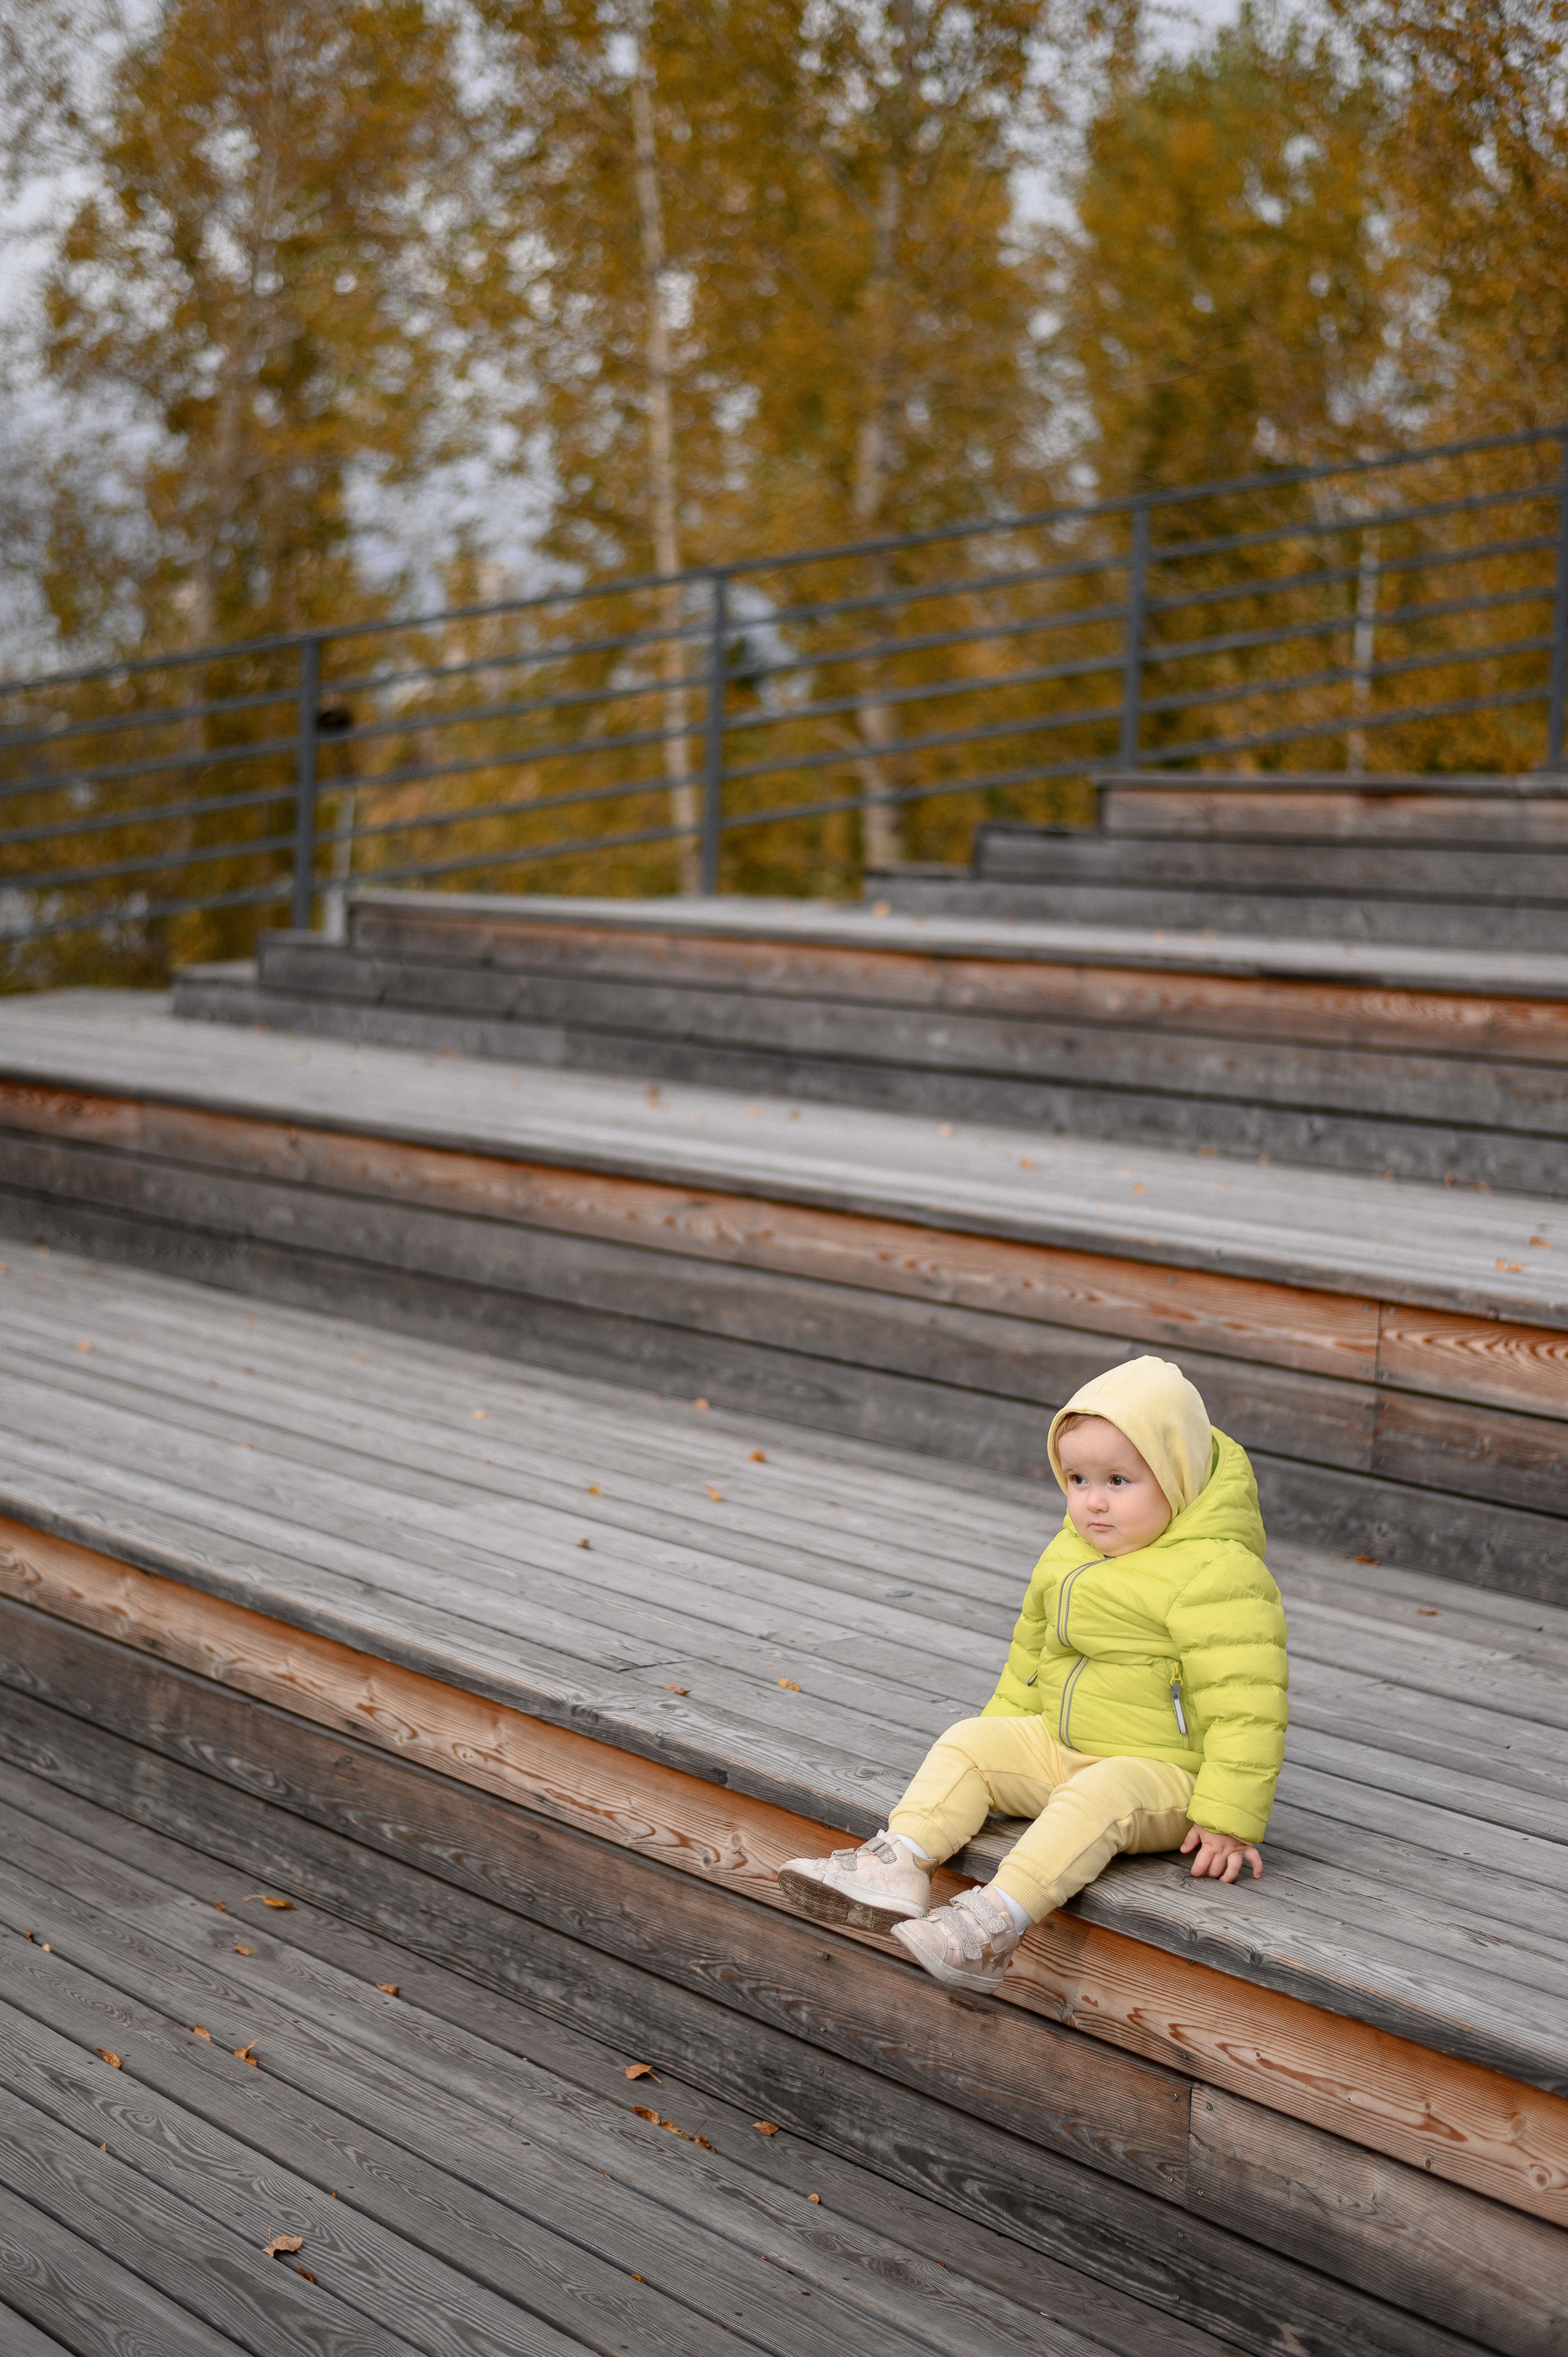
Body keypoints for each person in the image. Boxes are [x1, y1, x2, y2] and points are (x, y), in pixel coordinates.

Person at [778, 1355, 1289, 1992]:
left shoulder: (1217, 1572)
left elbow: (1248, 1704)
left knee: (1099, 1795)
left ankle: (991, 1924)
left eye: (1119, 1481)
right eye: (1076, 1478)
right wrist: (1000, 1746)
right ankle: (898, 1863)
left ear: (1177, 1476)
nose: (1093, 1501)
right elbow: (1028, 1664)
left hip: (1164, 1777)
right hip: (1061, 1744)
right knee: (967, 1740)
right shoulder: (1068, 1552)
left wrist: (1229, 1817)